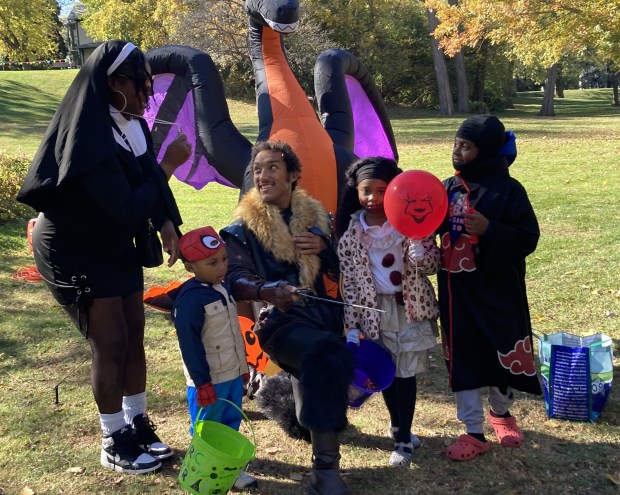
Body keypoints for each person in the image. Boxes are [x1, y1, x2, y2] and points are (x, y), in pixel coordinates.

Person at [17, 40, 191, 474]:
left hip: (113, 241)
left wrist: (167, 220)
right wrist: (169, 166)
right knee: (111, 342)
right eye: (140, 84)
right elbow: (127, 203)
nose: (147, 94)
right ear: (113, 82)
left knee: (134, 334)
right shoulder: (88, 136)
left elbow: (146, 182)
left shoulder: (131, 124)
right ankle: (113, 439)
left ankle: (136, 423)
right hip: (73, 248)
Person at [220, 140, 354, 495]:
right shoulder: (241, 229)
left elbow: (343, 267)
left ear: (293, 175)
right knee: (325, 357)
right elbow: (234, 278)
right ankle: (324, 474)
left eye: (272, 167)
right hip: (277, 322)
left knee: (322, 361)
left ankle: (305, 420)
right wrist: (268, 291)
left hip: (324, 315)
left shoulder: (318, 215)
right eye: (257, 169)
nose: (262, 175)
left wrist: (325, 250)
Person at [437, 114, 541, 461]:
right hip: (458, 292)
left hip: (499, 291)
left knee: (502, 352)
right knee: (464, 356)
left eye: (465, 147)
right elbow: (424, 220)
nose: (457, 152)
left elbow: (528, 238)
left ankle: (501, 413)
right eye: (456, 144)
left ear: (485, 152)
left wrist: (490, 228)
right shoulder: (448, 189)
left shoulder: (509, 191)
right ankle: (472, 430)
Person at [336, 157, 440, 468]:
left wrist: (420, 253)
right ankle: (398, 426)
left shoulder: (411, 226)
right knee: (385, 374)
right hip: (373, 313)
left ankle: (404, 438)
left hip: (407, 309)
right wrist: (352, 325)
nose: (373, 198)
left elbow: (433, 265)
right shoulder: (352, 233)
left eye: (382, 191)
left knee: (405, 374)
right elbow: (350, 282)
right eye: (367, 190)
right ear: (356, 190)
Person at [171, 226, 257, 489]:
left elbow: (233, 332)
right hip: (208, 379)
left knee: (230, 420)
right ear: (190, 267)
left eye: (224, 259)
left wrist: (243, 367)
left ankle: (228, 468)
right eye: (212, 262)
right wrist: (201, 381)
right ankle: (202, 472)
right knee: (207, 426)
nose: (221, 267)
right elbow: (190, 344)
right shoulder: (191, 299)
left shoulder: (223, 288)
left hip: (231, 373)